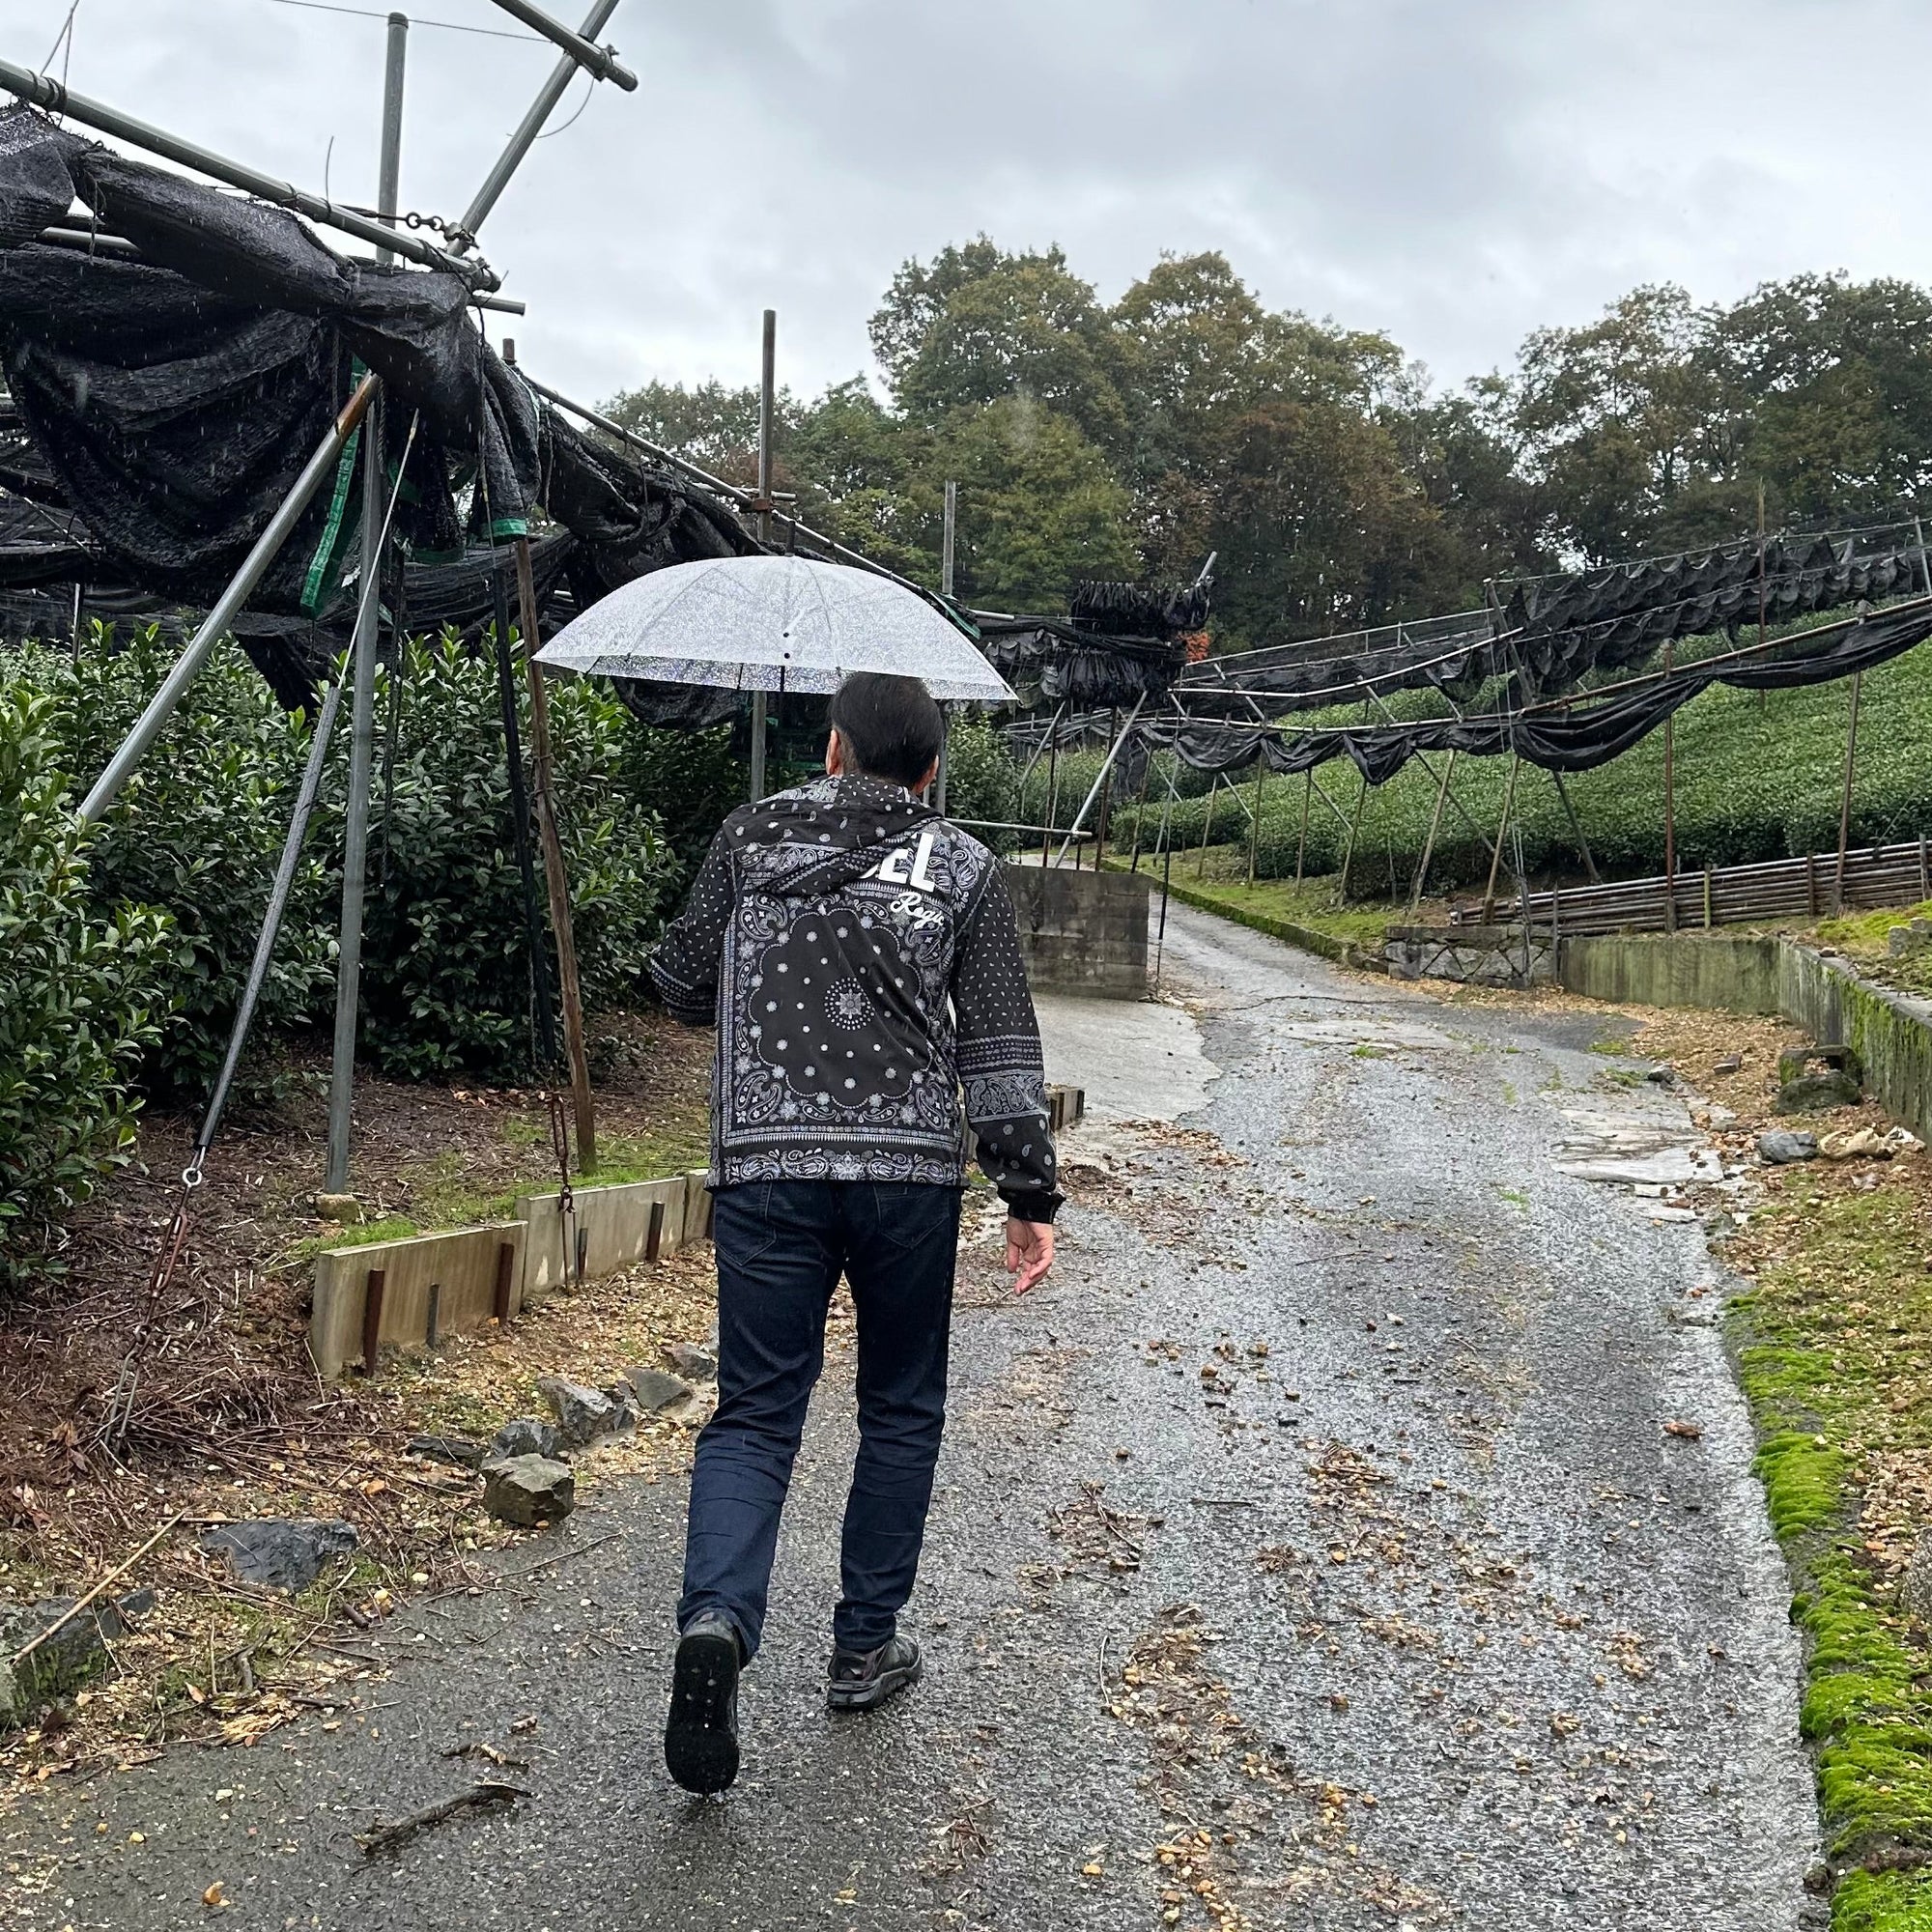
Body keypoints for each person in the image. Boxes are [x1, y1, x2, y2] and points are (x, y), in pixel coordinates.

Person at [647, 670, 1061, 1797]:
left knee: (754, 1413)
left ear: (831, 750)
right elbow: (999, 1049)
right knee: (899, 1404)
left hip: (767, 1172)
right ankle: (862, 1643)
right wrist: (1027, 1196)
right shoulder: (962, 865)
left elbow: (679, 982)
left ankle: (717, 1622)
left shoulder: (749, 833)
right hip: (906, 1180)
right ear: (929, 769)